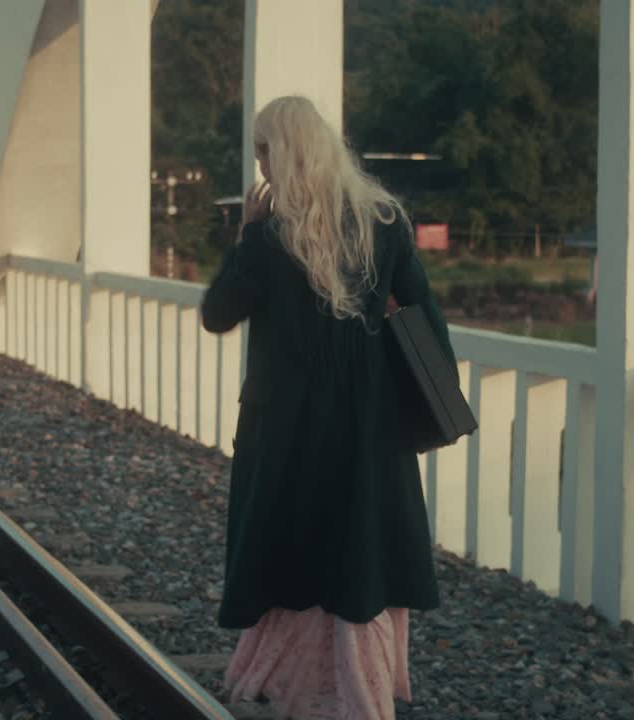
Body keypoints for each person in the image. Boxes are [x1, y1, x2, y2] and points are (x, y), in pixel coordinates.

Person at [200, 95, 455, 720]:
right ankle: (358, 689)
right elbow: (423, 316)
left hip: (286, 424)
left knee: (288, 549)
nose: (260, 164)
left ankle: (290, 682)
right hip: (367, 425)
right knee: (360, 548)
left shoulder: (270, 232)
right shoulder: (385, 220)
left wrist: (246, 240)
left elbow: (216, 315)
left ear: (282, 151)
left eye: (263, 150)